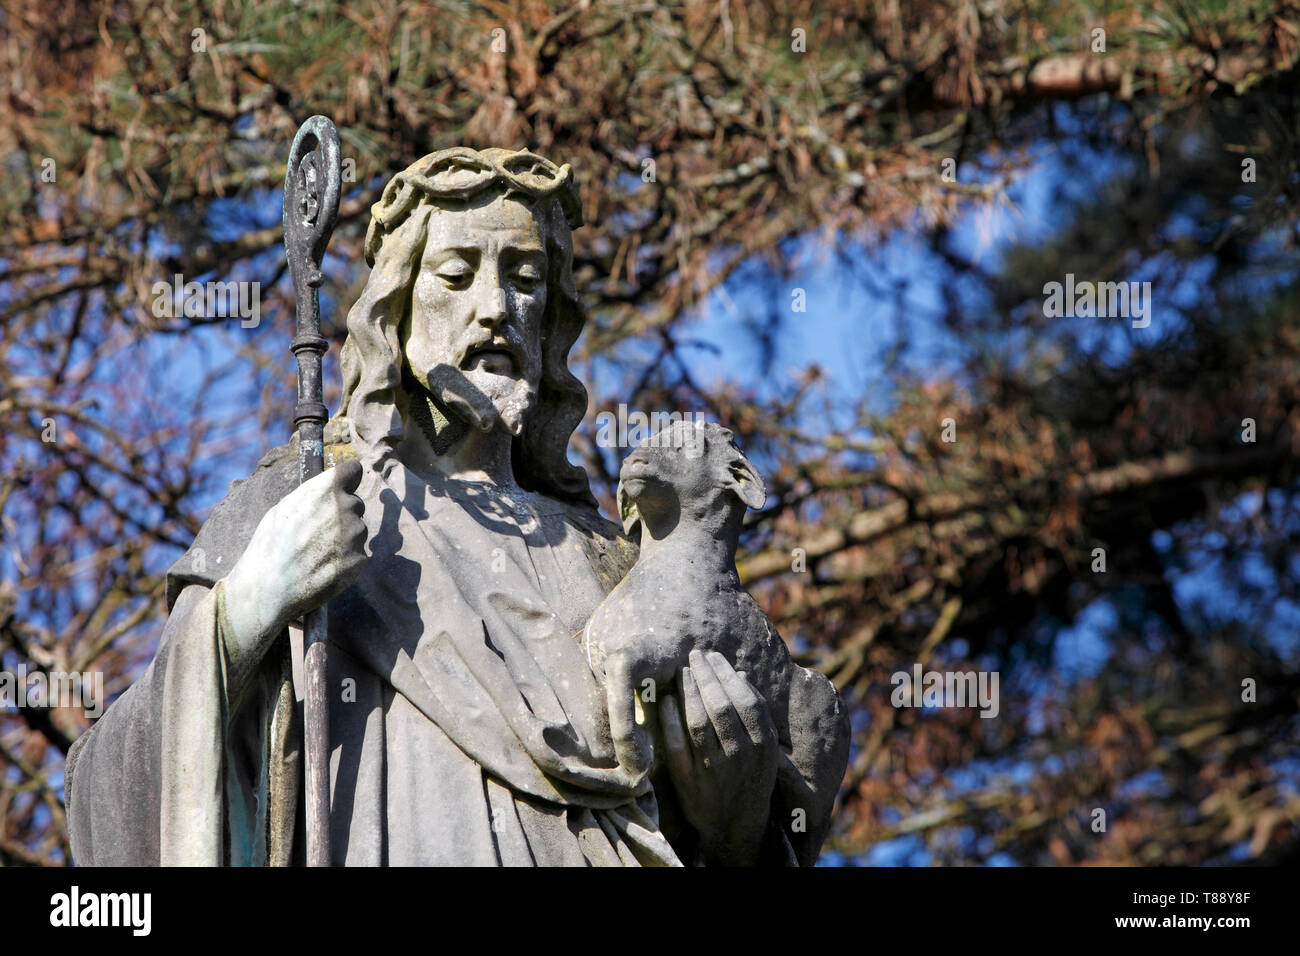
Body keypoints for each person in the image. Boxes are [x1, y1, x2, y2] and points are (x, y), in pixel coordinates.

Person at [65, 147, 839, 865]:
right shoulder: (312, 504)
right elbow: (108, 798)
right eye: (457, 273)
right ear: (395, 312)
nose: (496, 306)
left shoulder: (617, 566)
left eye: (526, 277)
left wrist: (733, 824)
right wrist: (244, 614)